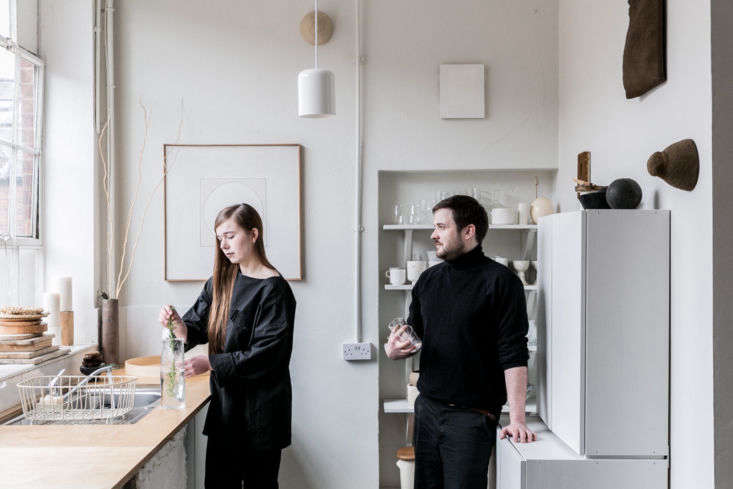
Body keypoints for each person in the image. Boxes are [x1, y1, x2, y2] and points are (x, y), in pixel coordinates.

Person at [385, 195, 535, 489]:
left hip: (471, 418)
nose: (433, 234)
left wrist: (517, 419)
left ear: (468, 231)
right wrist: (395, 349)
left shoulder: (502, 282)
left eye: (441, 227)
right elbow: (414, 337)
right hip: (426, 409)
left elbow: (513, 352)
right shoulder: (427, 280)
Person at [159, 203, 296, 489]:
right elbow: (195, 327)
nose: (224, 245)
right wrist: (177, 325)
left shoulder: (275, 290)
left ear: (254, 234)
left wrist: (210, 363)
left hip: (262, 414)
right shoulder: (220, 282)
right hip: (226, 410)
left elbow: (266, 356)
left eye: (230, 236)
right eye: (220, 238)